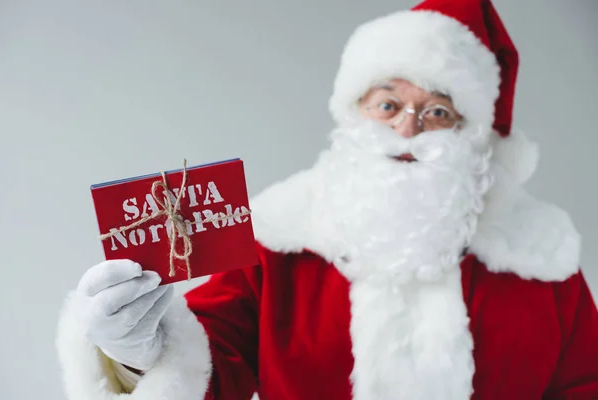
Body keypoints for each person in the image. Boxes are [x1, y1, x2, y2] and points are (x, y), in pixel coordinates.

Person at [56, 0, 598, 399]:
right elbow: (210, 360)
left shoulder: (540, 262)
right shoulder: (280, 236)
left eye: (437, 112)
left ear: (473, 138)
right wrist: (138, 350)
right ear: (355, 111)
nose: (408, 129)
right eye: (389, 104)